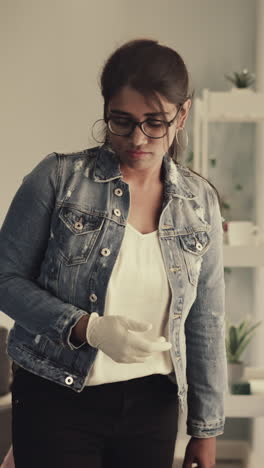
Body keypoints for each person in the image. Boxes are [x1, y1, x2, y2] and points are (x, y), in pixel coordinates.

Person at [0, 39, 227, 468]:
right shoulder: (58, 180)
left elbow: (206, 320)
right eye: (121, 121)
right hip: (56, 397)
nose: (137, 138)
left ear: (183, 115)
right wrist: (88, 328)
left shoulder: (200, 203)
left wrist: (206, 428)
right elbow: (4, 279)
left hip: (152, 407)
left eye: (154, 122)